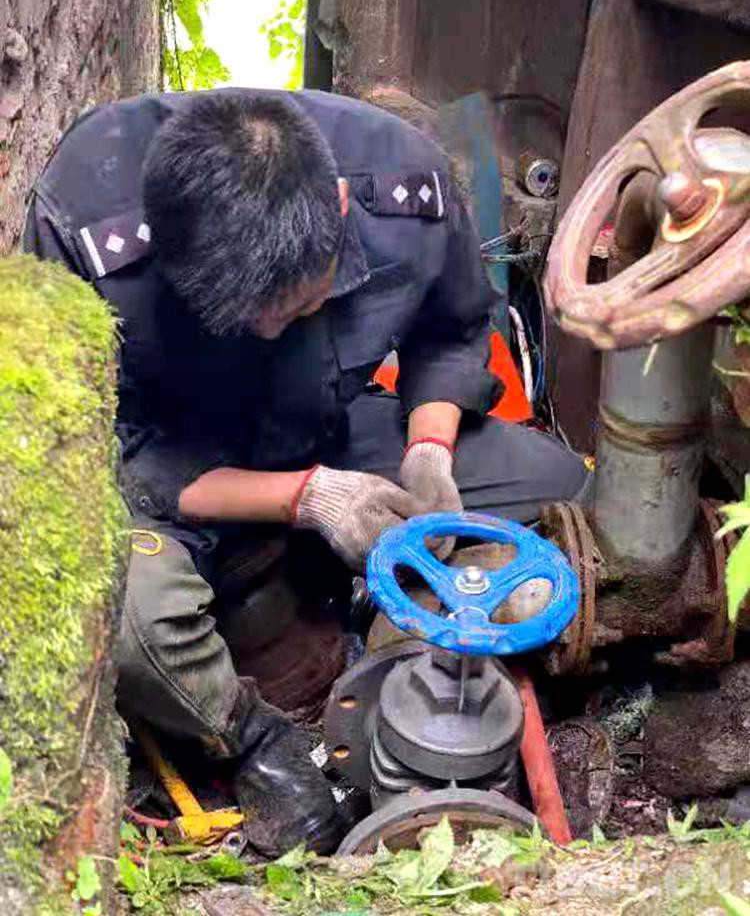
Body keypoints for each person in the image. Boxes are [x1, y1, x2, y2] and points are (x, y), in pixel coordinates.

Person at [24, 87, 590, 856]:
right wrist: (307, 498)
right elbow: (95, 451)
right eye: (241, 319)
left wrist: (429, 449)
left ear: (340, 210)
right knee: (128, 617)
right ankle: (254, 742)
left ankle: (413, 616)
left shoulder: (405, 188)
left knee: (559, 483)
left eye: (295, 309)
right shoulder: (85, 228)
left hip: (332, 430)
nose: (268, 331)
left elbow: (452, 331)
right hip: (180, 475)